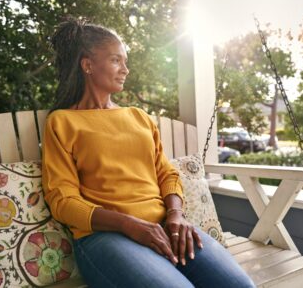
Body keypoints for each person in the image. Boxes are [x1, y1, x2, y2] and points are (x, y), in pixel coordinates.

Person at [42, 17, 255, 288]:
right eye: (116, 60)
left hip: (164, 224)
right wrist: (129, 224)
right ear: (88, 65)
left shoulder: (139, 117)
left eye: (125, 61)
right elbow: (63, 200)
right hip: (104, 236)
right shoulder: (62, 122)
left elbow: (166, 172)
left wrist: (176, 215)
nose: (125, 70)